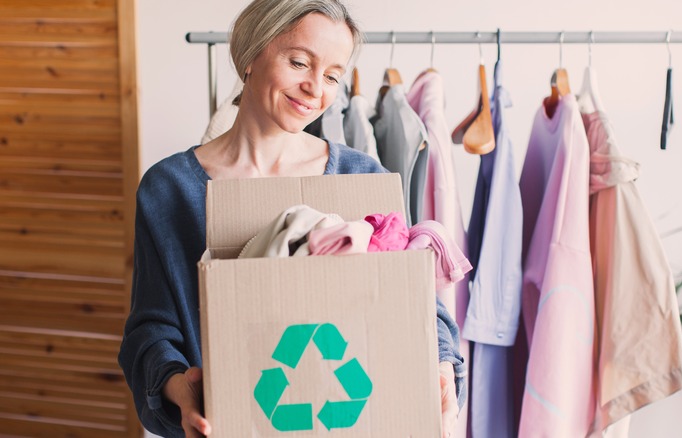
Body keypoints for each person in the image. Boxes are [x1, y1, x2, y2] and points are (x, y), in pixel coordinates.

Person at [117, 1, 465, 437]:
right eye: (299, 62)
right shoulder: (170, 190)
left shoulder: (361, 179)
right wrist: (176, 389)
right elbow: (151, 330)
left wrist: (442, 369)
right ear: (250, 56)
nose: (315, 88)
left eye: (333, 76)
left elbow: (415, 307)